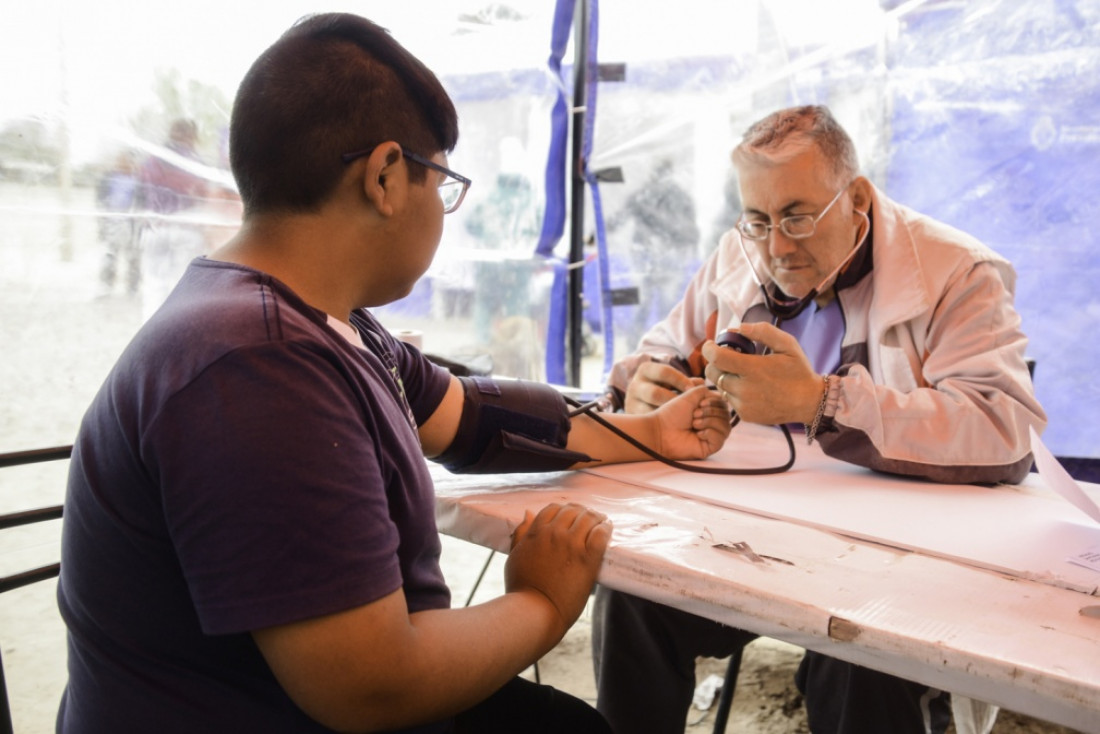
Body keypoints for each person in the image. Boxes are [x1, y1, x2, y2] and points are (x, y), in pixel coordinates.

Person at [56, 13, 732, 734]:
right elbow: (371, 685)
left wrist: (648, 432)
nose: (443, 209)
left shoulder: (321, 318)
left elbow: (473, 420)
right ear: (383, 176)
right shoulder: (258, 367)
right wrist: (541, 603)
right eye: (441, 181)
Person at [591, 105, 1047, 734]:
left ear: (856, 198)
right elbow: (659, 352)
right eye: (758, 219)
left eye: (798, 216)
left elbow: (1004, 431)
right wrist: (642, 386)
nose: (778, 246)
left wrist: (819, 402)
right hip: (753, 535)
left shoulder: (957, 272)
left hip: (893, 559)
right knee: (633, 593)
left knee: (862, 656)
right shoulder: (739, 253)